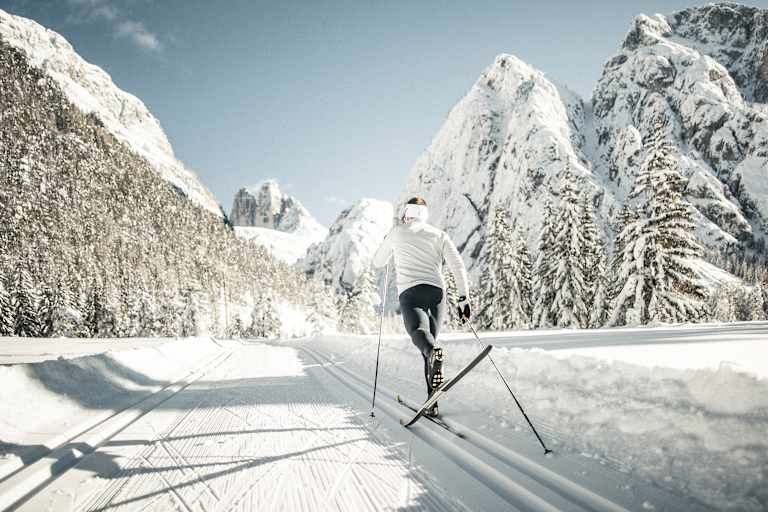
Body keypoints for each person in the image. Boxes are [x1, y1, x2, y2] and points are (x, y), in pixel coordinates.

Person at [372, 197, 471, 417]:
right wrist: (463, 298)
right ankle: (432, 401)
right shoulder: (439, 235)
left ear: (407, 213)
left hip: (411, 293)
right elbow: (457, 265)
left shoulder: (397, 232)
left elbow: (378, 262)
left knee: (421, 336)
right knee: (430, 346)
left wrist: (388, 241)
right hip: (437, 293)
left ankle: (432, 384)